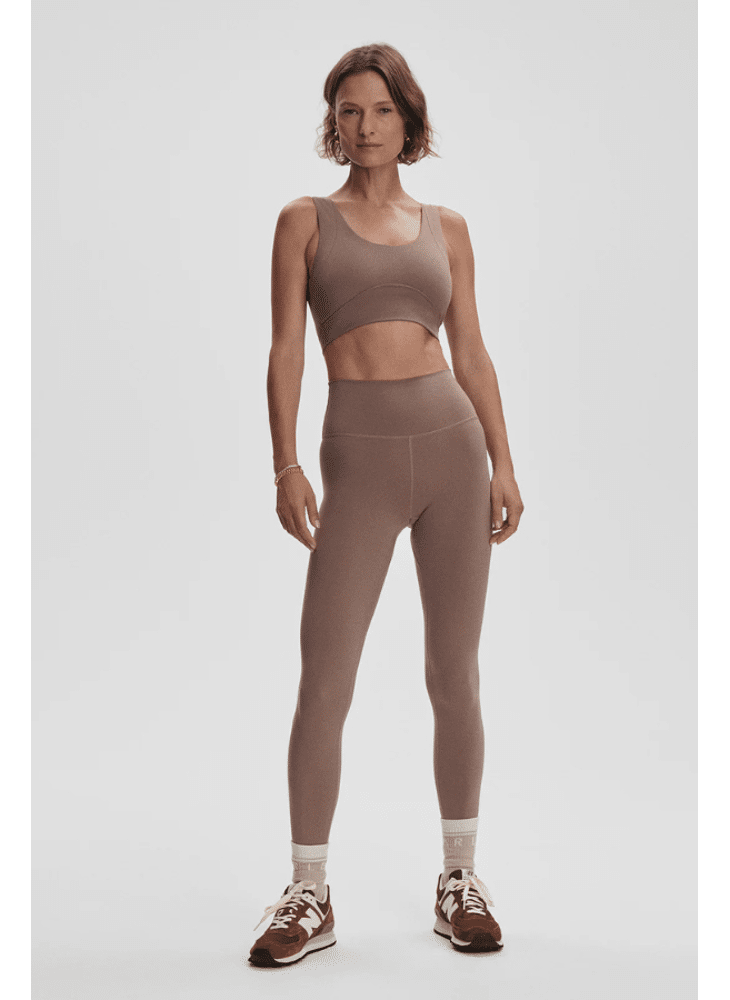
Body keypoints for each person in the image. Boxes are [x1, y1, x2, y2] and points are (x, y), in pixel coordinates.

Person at [249, 43, 524, 968]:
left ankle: (461, 879)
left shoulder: (448, 227)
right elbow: (287, 349)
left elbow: (472, 350)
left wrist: (504, 461)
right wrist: (286, 465)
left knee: (455, 674)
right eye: (348, 110)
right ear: (333, 123)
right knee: (325, 680)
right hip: (356, 460)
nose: (363, 126)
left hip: (453, 450)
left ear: (409, 120)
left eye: (380, 110)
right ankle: (308, 891)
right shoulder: (304, 220)